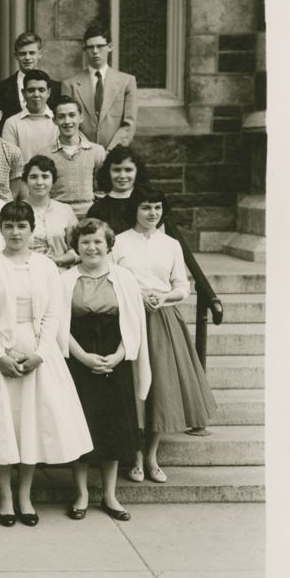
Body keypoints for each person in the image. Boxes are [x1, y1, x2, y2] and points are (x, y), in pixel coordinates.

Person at [0, 200, 92, 527]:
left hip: (39, 352)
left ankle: (24, 495)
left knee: (29, 424)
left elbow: (54, 314)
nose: (15, 232)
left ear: (31, 229)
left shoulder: (45, 267)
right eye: (8, 226)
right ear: (0, 230)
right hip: (0, 350)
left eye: (21, 226)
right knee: (3, 425)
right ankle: (5, 497)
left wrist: (40, 353)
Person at [113, 187, 218, 482]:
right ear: (135, 209)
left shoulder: (171, 244)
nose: (152, 213)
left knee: (161, 385)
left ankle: (151, 456)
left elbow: (182, 286)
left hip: (163, 318)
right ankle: (134, 455)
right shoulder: (119, 242)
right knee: (134, 385)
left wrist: (164, 297)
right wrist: (138, 292)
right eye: (146, 207)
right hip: (130, 317)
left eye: (157, 207)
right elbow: (112, 278)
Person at [61, 218, 150, 522]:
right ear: (76, 246)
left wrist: (118, 356)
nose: (91, 247)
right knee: (81, 426)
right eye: (85, 241)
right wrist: (84, 357)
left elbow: (134, 324)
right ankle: (82, 493)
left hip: (115, 359)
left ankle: (110, 494)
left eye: (98, 241)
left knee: (111, 428)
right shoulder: (65, 280)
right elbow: (59, 328)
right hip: (78, 361)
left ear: (109, 245)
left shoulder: (124, 278)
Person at [61, 22, 137, 150]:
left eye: (100, 46)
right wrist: (89, 152)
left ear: (110, 47)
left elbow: (129, 124)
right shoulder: (70, 84)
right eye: (90, 47)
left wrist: (110, 153)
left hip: (114, 156)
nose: (95, 51)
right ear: (85, 49)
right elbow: (69, 123)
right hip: (81, 153)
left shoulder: (127, 82)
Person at [46, 96, 106, 218]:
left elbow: (102, 189)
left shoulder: (97, 151)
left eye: (72, 115)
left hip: (90, 216)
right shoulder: (45, 155)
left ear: (81, 117)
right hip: (57, 216)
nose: (67, 121)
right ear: (54, 120)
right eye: (61, 116)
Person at [0, 32, 63, 126]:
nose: (27, 58)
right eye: (23, 54)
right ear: (16, 56)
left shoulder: (56, 88)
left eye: (32, 53)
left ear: (40, 54)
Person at [22, 155, 79, 268]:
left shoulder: (64, 210)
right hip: (23, 272)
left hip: (59, 273)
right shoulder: (15, 210)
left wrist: (58, 260)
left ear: (53, 181)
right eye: (33, 177)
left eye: (45, 176)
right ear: (26, 180)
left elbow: (77, 249)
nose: (39, 182)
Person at [87, 144, 151, 235]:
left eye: (128, 170)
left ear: (138, 172)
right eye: (117, 170)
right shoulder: (98, 210)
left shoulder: (149, 205)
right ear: (108, 172)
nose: (122, 176)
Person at [0, 69, 59, 161]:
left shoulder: (58, 122)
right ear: (23, 93)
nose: (36, 94)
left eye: (41, 90)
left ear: (49, 93)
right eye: (31, 90)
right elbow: (10, 161)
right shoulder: (12, 123)